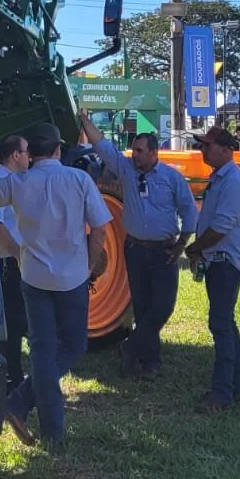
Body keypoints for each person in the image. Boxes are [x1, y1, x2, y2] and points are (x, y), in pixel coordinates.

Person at [0, 123, 111, 449]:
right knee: (73, 346)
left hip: (33, 276)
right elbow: (101, 229)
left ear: (31, 153)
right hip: (71, 278)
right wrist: (91, 264)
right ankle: (25, 407)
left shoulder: (17, 182)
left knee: (42, 349)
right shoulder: (79, 179)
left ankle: (44, 423)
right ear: (58, 150)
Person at [77, 109, 199, 381]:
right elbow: (103, 147)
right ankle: (148, 362)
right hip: (135, 249)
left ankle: (131, 347)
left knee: (163, 306)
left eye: (141, 151)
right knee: (142, 307)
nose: (135, 155)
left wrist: (181, 245)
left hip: (163, 251)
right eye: (134, 150)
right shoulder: (128, 171)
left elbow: (189, 212)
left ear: (154, 152)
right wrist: (85, 121)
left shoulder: (171, 177)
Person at [184, 126, 240, 411]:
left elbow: (221, 228)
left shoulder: (234, 182)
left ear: (227, 150)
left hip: (225, 260)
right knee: (226, 322)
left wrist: (195, 247)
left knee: (220, 324)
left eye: (207, 146)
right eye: (201, 146)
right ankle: (239, 386)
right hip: (219, 260)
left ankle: (222, 394)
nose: (202, 151)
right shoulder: (223, 178)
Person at [0, 134, 31, 392]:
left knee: (13, 320)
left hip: (7, 260)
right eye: (26, 152)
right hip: (6, 262)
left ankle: (8, 372)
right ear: (15, 155)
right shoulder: (0, 180)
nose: (29, 157)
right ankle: (10, 376)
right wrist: (19, 255)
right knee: (12, 322)